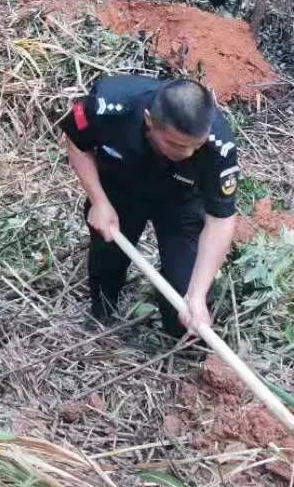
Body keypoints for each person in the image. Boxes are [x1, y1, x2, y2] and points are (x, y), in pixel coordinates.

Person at [59, 74, 240, 335]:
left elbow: (220, 220)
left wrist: (197, 294)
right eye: (176, 144)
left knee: (185, 297)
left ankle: (176, 336)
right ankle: (103, 311)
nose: (187, 153)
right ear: (149, 121)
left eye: (195, 146)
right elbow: (77, 144)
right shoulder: (108, 105)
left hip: (182, 201)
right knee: (108, 255)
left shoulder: (218, 145)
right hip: (121, 187)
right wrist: (99, 201)